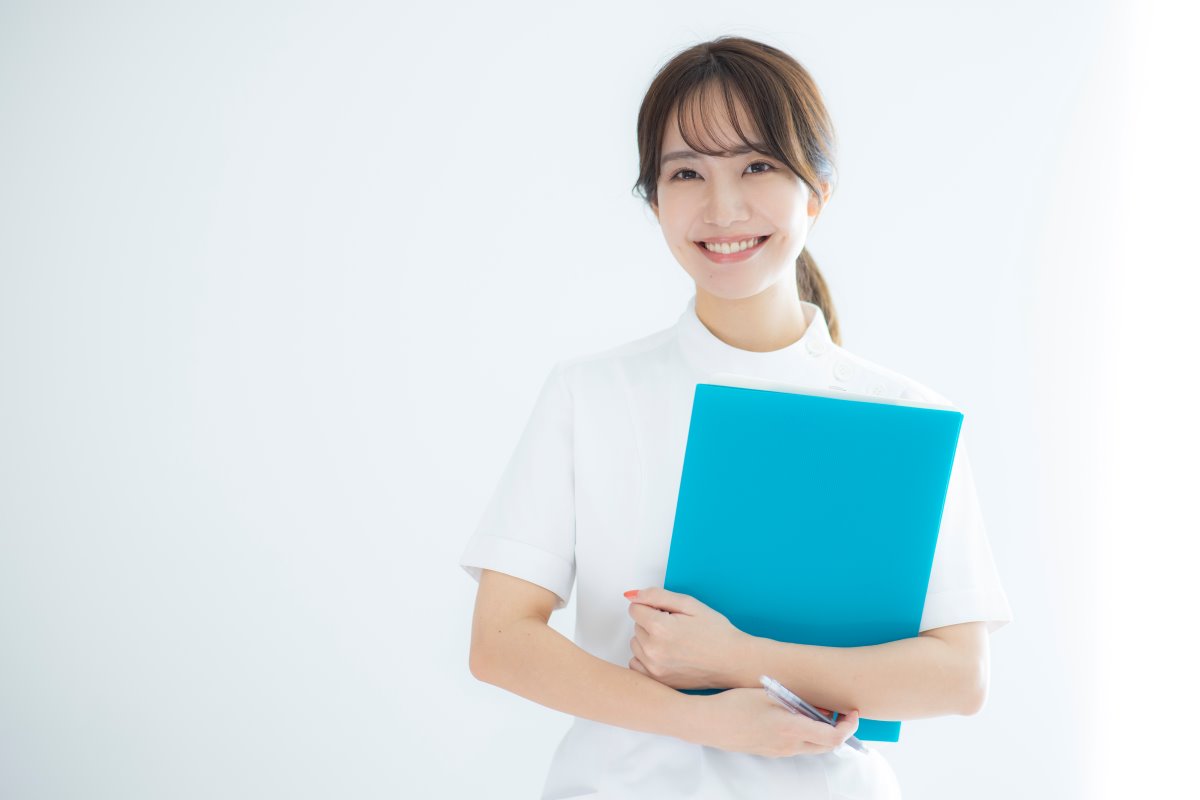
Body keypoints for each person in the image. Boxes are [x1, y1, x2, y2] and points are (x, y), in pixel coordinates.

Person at [459, 35, 1013, 800]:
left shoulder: (903, 417)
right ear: (654, 201)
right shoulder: (591, 394)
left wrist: (738, 658)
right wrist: (704, 720)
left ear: (817, 191)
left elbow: (959, 676)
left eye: (757, 166)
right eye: (686, 173)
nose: (722, 209)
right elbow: (499, 642)